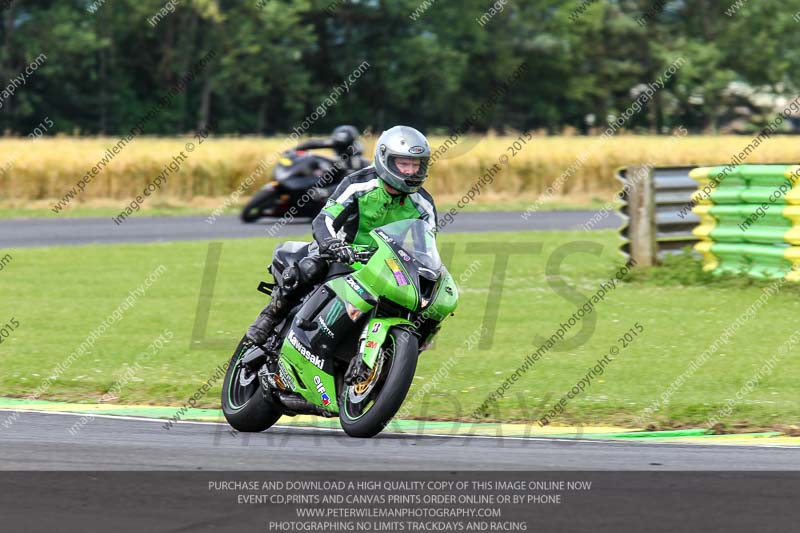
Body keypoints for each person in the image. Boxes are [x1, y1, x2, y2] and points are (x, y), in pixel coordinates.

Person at [246, 125, 437, 347]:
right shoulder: (359, 184)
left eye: (416, 165)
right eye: (404, 164)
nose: (410, 172)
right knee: (310, 267)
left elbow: (427, 248)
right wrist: (331, 244)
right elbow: (324, 219)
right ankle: (270, 317)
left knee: (425, 305)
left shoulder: (423, 203)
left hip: (385, 266)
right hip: (343, 252)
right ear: (386, 159)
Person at [295, 125, 367, 172]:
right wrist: (298, 149)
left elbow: (316, 143)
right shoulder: (335, 143)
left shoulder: (357, 148)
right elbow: (315, 143)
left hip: (350, 174)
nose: (340, 146)